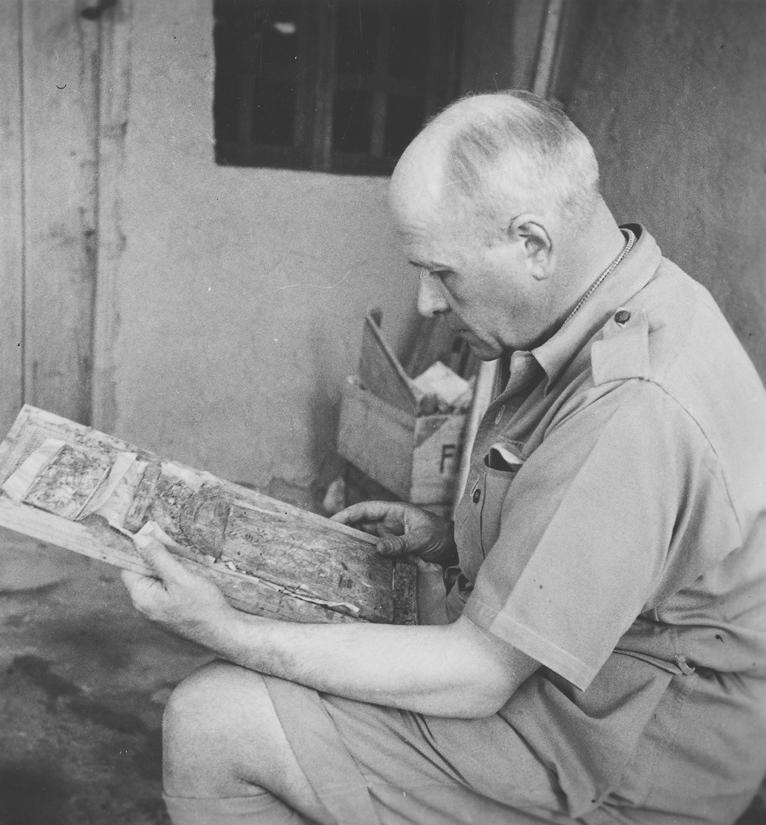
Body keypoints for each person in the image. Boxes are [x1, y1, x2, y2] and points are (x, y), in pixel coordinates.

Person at [121, 90, 766, 825]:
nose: (426, 303)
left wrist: (225, 631)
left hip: (633, 758)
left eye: (443, 272)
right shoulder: (630, 294)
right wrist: (443, 537)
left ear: (534, 243)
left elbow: (480, 675)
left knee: (214, 717)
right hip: (611, 690)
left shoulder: (632, 404)